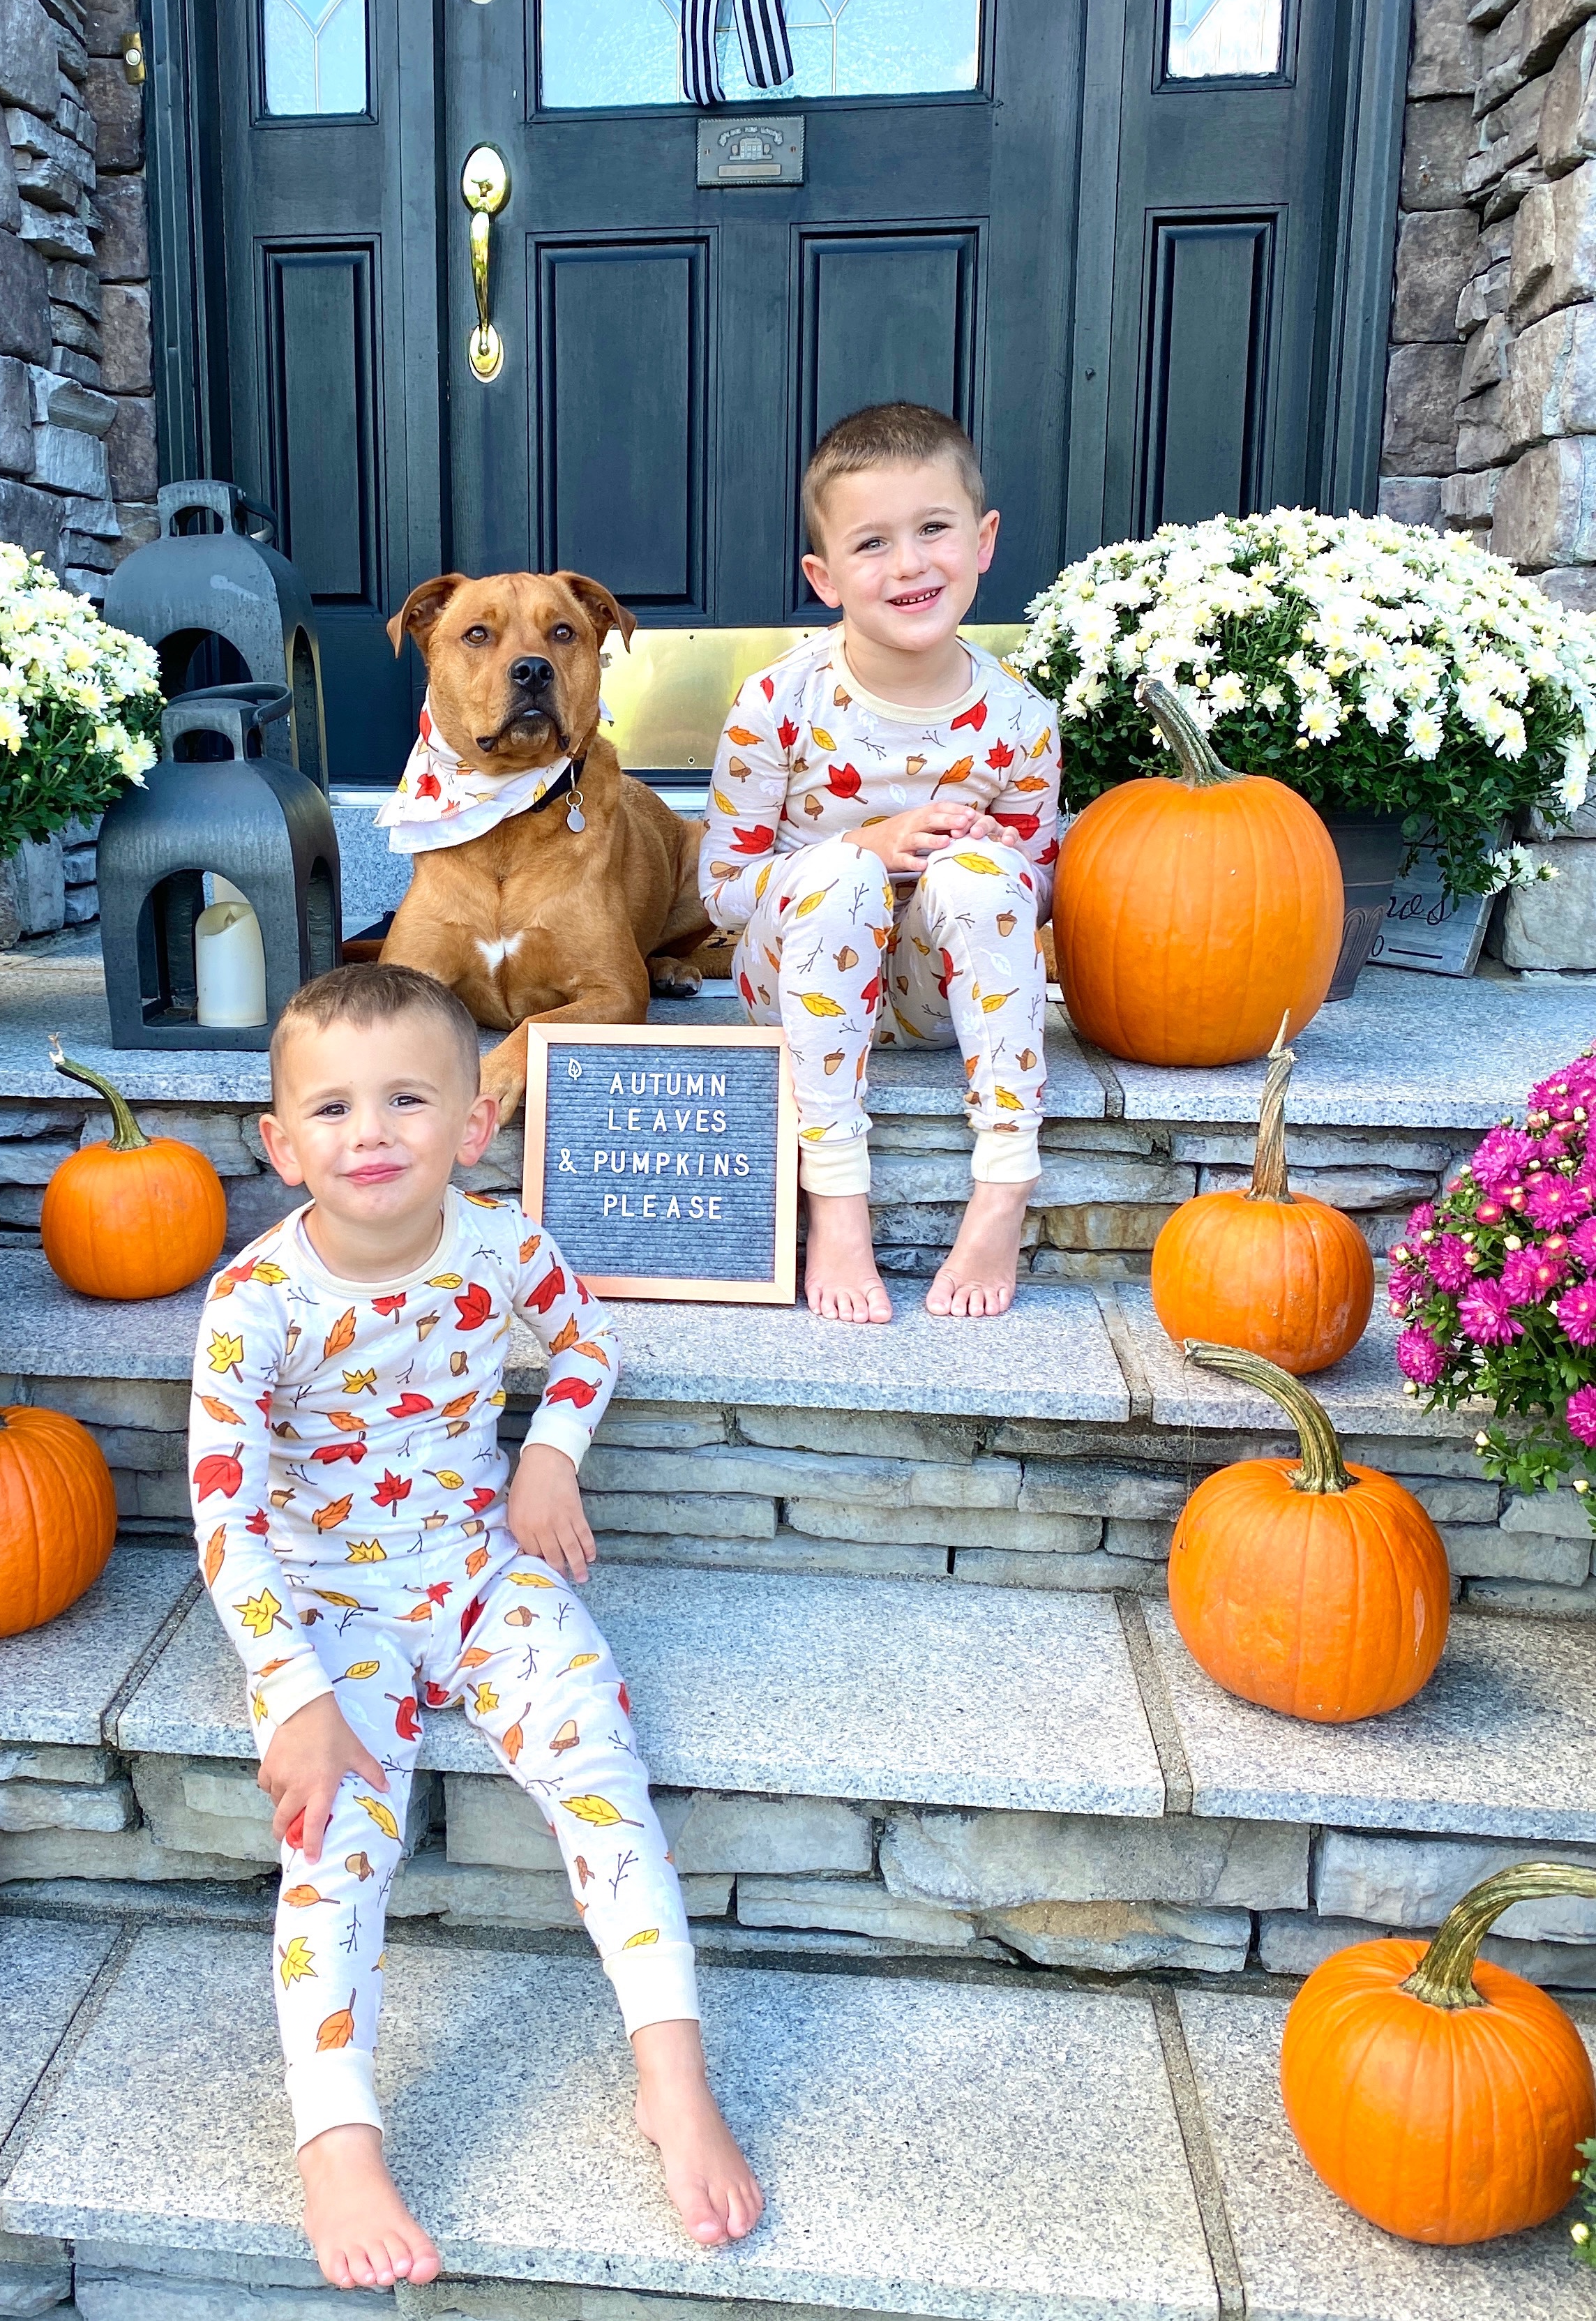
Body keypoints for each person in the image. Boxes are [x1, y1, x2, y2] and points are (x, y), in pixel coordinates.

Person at [189, 961, 762, 2292]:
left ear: (477, 1122)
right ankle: (337, 2136)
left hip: (477, 1568)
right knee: (334, 1841)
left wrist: (551, 1453)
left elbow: (586, 1346)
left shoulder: (504, 1249)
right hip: (325, 1598)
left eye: (405, 1099)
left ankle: (673, 2076)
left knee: (602, 1771)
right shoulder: (252, 1305)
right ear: (280, 1148)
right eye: (330, 1110)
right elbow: (224, 1515)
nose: (370, 1133)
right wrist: (293, 1697)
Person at [700, 403, 1062, 1326]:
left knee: (987, 878)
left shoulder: (1021, 719)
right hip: (795, 976)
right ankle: (836, 1202)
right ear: (824, 577)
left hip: (937, 999)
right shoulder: (780, 701)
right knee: (842, 877)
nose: (908, 565)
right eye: (872, 543)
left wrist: (990, 859)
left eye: (934, 529)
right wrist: (859, 847)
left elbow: (1040, 895)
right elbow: (724, 893)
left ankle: (1004, 1184)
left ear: (983, 541)